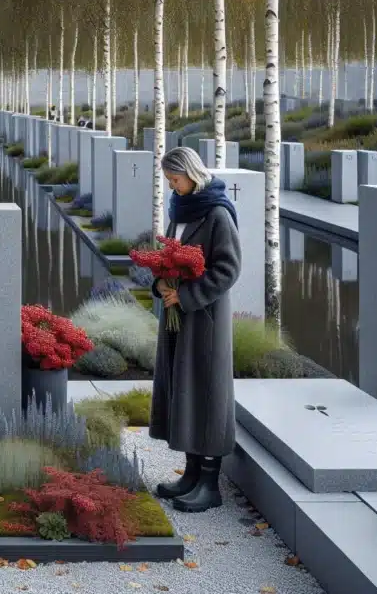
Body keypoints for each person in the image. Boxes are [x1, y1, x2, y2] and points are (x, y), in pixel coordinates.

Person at [148, 146, 241, 513]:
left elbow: (228, 268)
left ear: (192, 174)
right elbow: (168, 255)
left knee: (207, 393)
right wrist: (161, 283)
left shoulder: (217, 213)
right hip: (178, 319)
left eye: (175, 179)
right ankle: (190, 475)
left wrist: (185, 296)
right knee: (183, 390)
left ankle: (209, 485)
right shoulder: (180, 209)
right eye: (169, 180)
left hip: (205, 320)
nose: (172, 186)